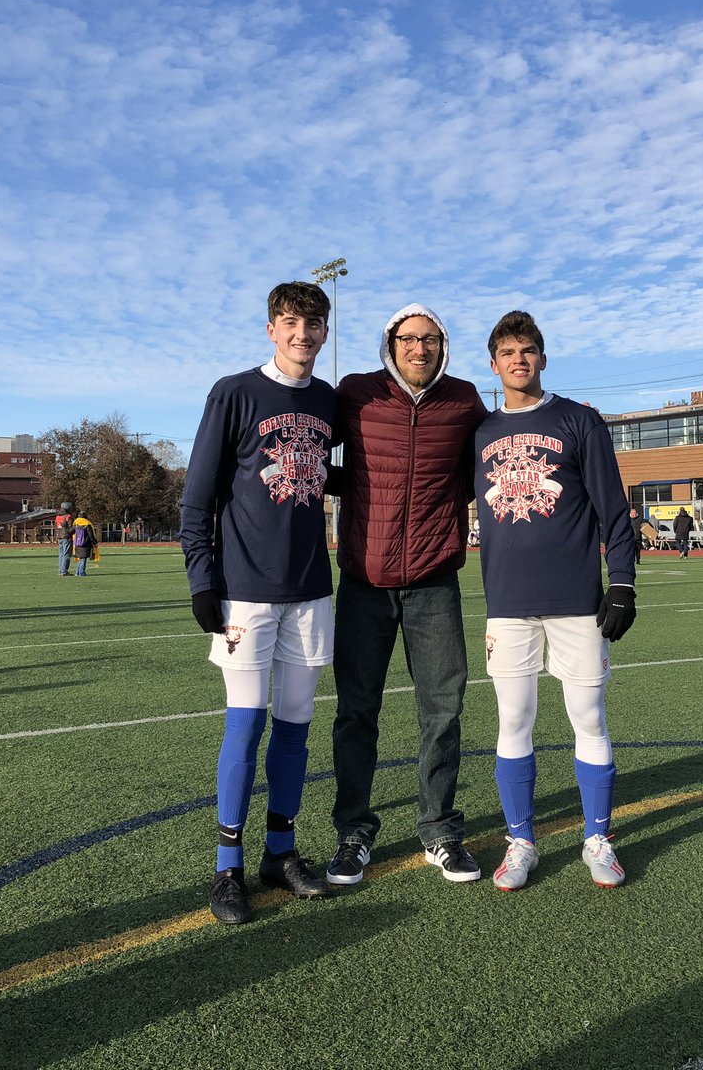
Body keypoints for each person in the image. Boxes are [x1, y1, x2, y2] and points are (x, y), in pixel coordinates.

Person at [180, 281, 336, 924]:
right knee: (245, 724)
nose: (303, 334)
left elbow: (335, 473)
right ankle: (227, 869)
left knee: (297, 727)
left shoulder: (329, 401)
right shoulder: (234, 392)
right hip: (246, 591)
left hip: (311, 590)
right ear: (272, 328)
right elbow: (198, 493)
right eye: (291, 322)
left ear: (325, 332)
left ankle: (281, 850)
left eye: (314, 323)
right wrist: (201, 579)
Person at [474, 311, 636, 892]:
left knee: (587, 719)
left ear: (543, 358)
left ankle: (598, 837)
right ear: (493, 364)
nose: (520, 360)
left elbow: (613, 510)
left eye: (529, 350)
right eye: (509, 352)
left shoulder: (580, 421)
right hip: (508, 602)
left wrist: (622, 580)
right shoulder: (480, 432)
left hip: (575, 601)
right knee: (513, 719)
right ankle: (521, 840)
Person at [328, 303, 487, 886]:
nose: (419, 349)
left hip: (434, 583)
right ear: (389, 344)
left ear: (444, 345)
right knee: (356, 712)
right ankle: (353, 833)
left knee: (443, 711)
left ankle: (440, 830)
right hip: (364, 583)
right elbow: (310, 454)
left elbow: (492, 463)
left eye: (431, 339)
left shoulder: (465, 399)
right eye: (409, 339)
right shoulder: (355, 393)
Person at [72, 511, 98, 575]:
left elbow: (70, 531)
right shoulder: (87, 524)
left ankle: (77, 572)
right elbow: (91, 535)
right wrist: (95, 542)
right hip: (85, 544)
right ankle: (81, 572)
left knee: (80, 558)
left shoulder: (75, 523)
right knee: (83, 559)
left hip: (77, 543)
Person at [55, 502, 74, 575]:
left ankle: (60, 571)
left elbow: (57, 526)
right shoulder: (68, 516)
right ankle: (64, 571)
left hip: (59, 537)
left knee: (61, 554)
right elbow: (71, 527)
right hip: (66, 537)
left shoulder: (58, 516)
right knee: (66, 554)